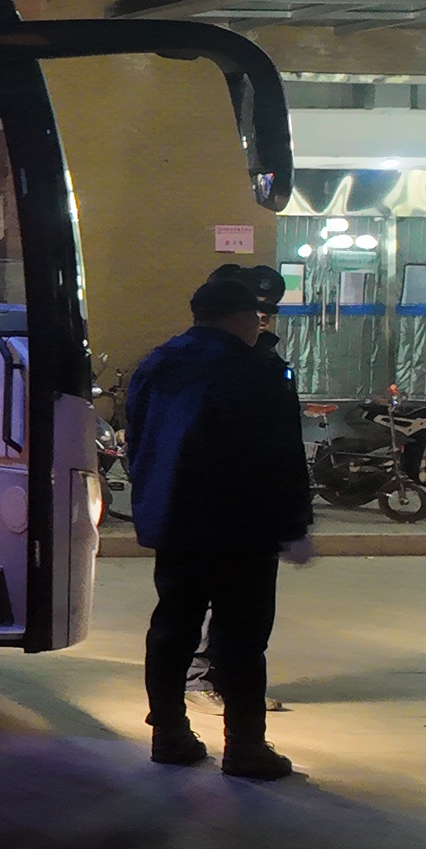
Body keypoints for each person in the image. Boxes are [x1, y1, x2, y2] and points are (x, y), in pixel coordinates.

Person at [124, 265, 314, 779]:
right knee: (242, 638)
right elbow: (280, 455)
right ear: (244, 317)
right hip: (240, 525)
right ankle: (245, 747)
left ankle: (169, 734)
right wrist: (294, 524)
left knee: (173, 626)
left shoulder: (156, 365)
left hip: (176, 521)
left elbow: (137, 441)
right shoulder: (254, 370)